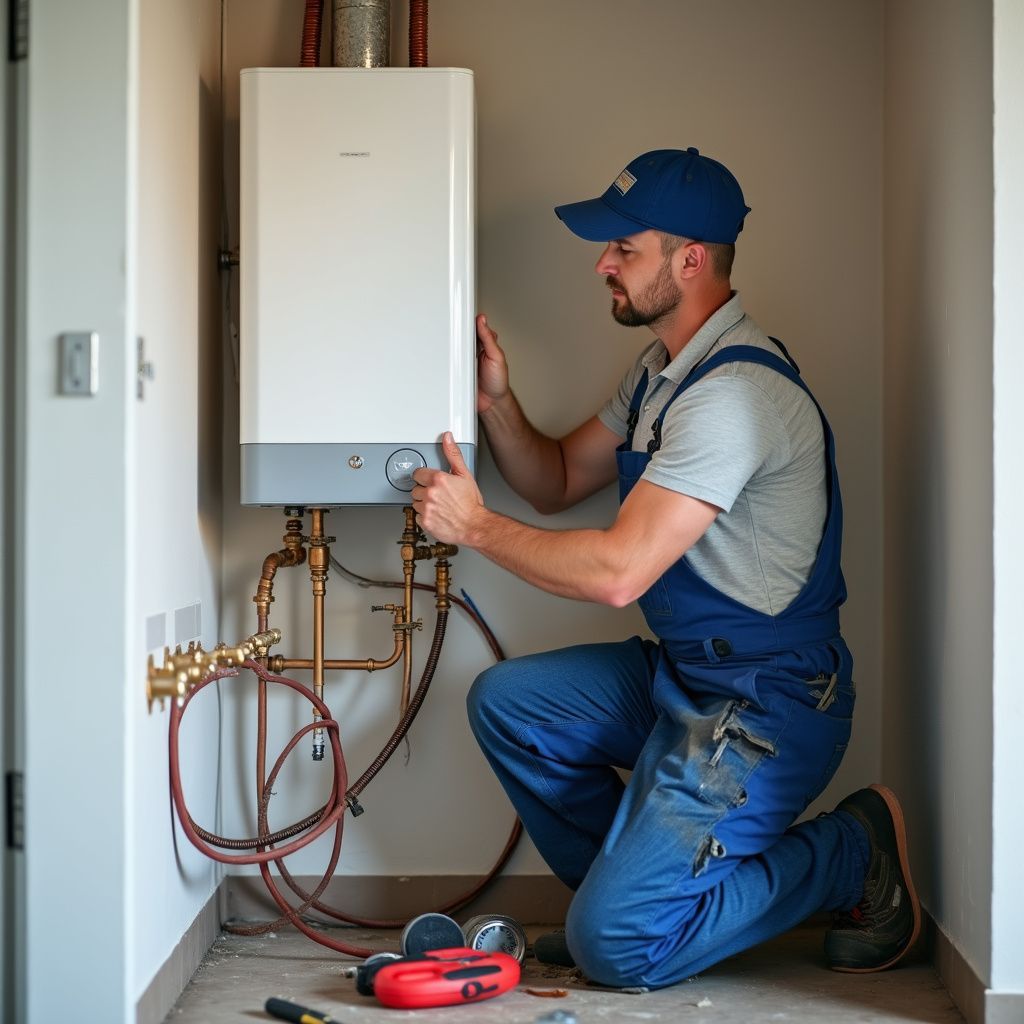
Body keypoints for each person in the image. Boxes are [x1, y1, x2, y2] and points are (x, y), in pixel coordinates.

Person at [410, 147, 920, 989]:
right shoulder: (659, 377)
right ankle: (627, 898)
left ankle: (847, 855)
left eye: (624, 249)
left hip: (768, 703)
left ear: (690, 261)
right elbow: (555, 481)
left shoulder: (733, 399)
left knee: (621, 951)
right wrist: (497, 404)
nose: (603, 264)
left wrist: (474, 527)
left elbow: (618, 573)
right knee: (509, 705)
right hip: (686, 680)